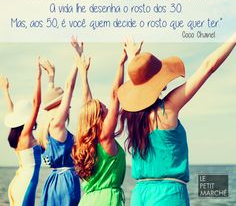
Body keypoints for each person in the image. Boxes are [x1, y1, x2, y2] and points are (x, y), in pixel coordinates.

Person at [118, 34, 236, 206]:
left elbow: (140, 85)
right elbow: (208, 67)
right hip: (169, 194)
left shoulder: (132, 116)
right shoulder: (168, 108)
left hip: (140, 194)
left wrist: (133, 58)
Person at [72, 38, 128, 206]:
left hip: (87, 201)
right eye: (105, 109)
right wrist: (121, 63)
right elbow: (116, 95)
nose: (109, 110)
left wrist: (84, 75)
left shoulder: (85, 145)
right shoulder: (105, 139)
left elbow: (86, 106)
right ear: (99, 118)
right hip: (107, 201)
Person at [38, 42, 82, 206]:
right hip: (66, 182)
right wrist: (77, 58)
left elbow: (49, 101)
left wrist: (51, 77)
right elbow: (69, 87)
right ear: (59, 106)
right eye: (65, 105)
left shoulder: (47, 128)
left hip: (52, 182)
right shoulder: (58, 125)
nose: (68, 107)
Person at [0, 58, 42, 206]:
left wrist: (5, 90)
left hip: (19, 182)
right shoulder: (25, 134)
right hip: (26, 183)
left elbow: (10, 109)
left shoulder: (17, 135)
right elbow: (37, 104)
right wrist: (38, 77)